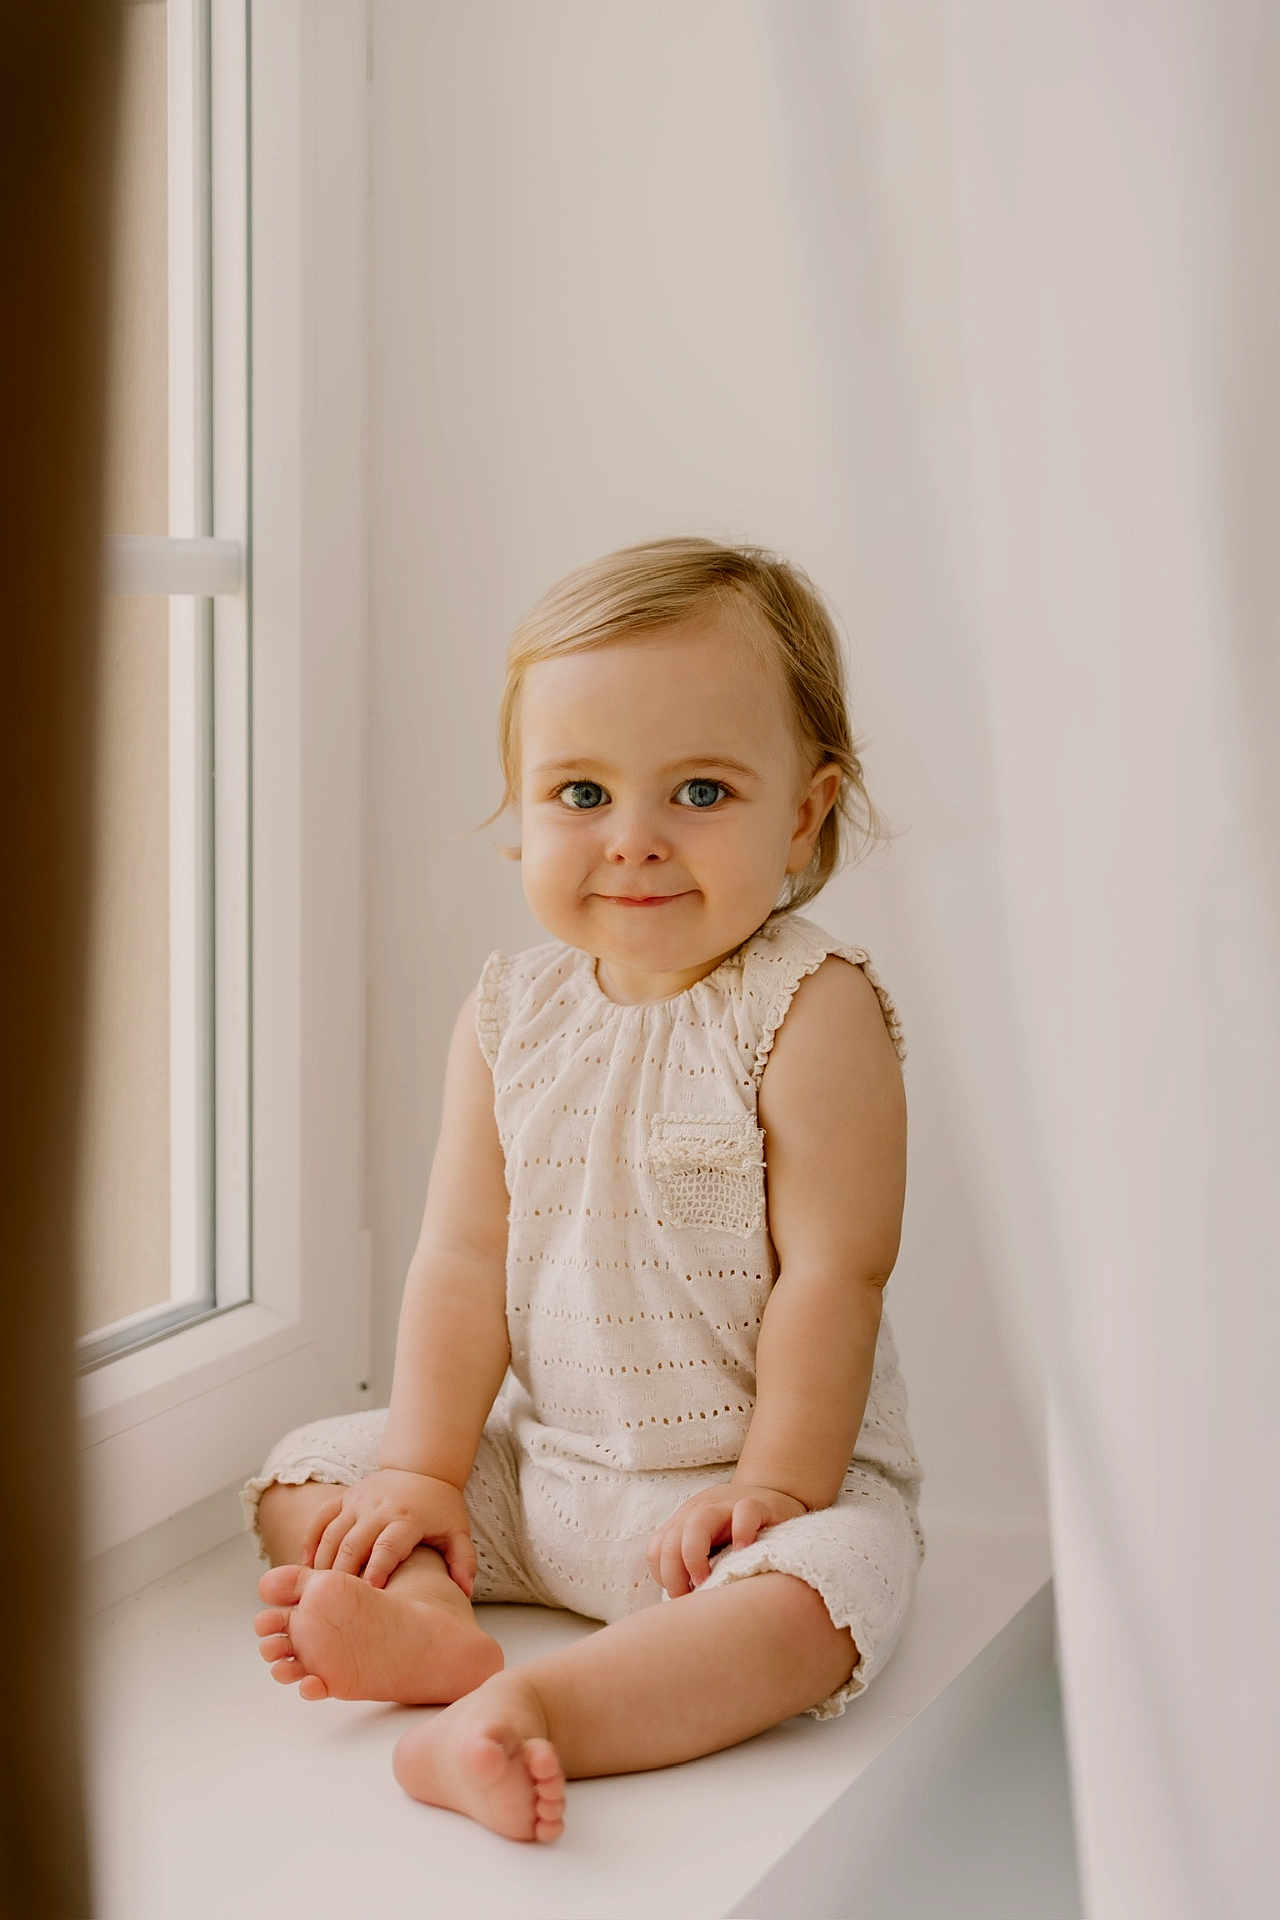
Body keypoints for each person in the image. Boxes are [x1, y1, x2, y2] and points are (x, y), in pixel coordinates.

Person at [242, 535, 925, 1845]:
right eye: (580, 793)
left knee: (826, 1600)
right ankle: (437, 1631)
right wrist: (428, 1477)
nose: (634, 842)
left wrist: (776, 1491)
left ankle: (534, 1718)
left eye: (703, 792)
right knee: (306, 1479)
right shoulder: (513, 1012)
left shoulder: (810, 1008)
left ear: (805, 810)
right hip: (547, 1482)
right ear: (520, 807)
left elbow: (841, 1273)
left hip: (737, 1510)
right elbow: (457, 1258)